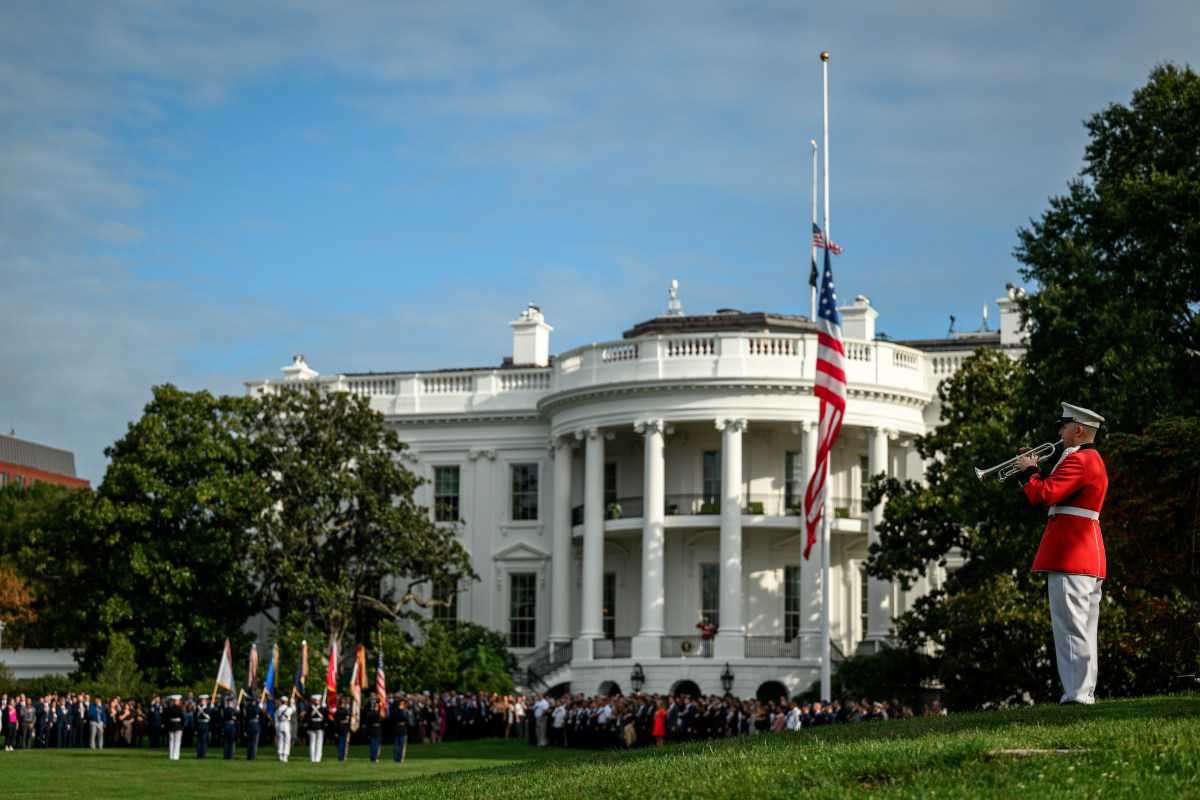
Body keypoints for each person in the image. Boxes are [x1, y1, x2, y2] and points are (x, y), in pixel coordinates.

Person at [1015, 402, 1108, 706]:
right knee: (1083, 628)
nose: (1059, 431)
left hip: (1072, 552)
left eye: (1064, 426)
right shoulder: (1086, 459)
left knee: (1070, 629)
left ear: (1078, 429)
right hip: (1086, 552)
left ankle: (1077, 695)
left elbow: (1043, 495)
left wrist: (1030, 471)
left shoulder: (1080, 459)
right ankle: (1084, 692)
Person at [306, 695, 327, 763]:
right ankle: (314, 758)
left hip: (316, 726)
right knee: (315, 743)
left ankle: (316, 758)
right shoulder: (322, 708)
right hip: (318, 726)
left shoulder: (310, 708)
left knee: (317, 743)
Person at [163, 695, 184, 760]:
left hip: (171, 725)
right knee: (177, 742)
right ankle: (176, 756)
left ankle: (171, 755)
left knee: (171, 741)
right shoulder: (180, 709)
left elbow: (166, 718)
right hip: (178, 725)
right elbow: (182, 718)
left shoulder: (169, 709)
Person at [275, 696, 295, 762]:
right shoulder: (289, 709)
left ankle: (280, 755)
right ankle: (285, 756)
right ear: (286, 701)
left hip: (280, 724)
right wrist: (292, 703)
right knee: (287, 741)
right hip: (286, 724)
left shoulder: (278, 709)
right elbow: (294, 711)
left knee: (281, 740)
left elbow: (277, 717)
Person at [243, 695, 262, 760]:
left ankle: (249, 756)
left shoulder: (247, 707)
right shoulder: (256, 707)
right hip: (255, 726)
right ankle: (252, 756)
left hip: (248, 726)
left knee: (249, 742)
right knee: (254, 743)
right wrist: (259, 705)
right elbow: (259, 712)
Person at [220, 696, 239, 760]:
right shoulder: (230, 710)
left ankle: (226, 756)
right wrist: (237, 711)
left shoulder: (224, 709)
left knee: (226, 742)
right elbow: (234, 716)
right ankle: (229, 756)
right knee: (230, 742)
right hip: (230, 727)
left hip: (226, 726)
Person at [334, 697, 351, 761]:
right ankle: (341, 756)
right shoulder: (340, 711)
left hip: (345, 728)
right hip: (341, 727)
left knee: (344, 743)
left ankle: (343, 756)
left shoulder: (345, 710)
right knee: (341, 742)